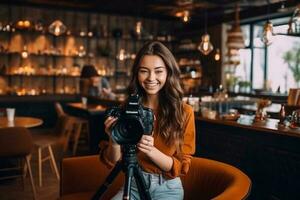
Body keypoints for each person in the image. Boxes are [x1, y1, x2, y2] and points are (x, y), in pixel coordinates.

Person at [99, 41, 195, 199]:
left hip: (167, 188)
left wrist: (151, 151)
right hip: (134, 184)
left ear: (168, 73)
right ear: (137, 74)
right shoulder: (126, 108)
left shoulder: (184, 112)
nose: (151, 78)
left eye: (158, 71)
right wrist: (114, 141)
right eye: (144, 71)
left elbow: (180, 166)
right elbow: (112, 161)